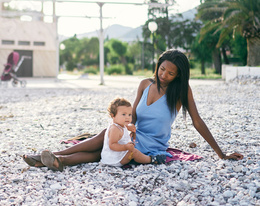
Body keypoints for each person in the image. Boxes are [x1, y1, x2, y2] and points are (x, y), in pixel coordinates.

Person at [23, 49, 244, 171]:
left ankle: (50, 157)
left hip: (152, 144)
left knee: (103, 147)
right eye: (162, 69)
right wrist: (119, 129)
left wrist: (221, 153)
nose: (163, 75)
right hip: (133, 133)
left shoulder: (182, 92)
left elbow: (197, 122)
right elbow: (133, 115)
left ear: (179, 75)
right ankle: (56, 160)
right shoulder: (144, 84)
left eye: (170, 73)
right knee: (106, 139)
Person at [99, 97, 165, 167]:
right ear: (113, 116)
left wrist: (129, 126)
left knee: (134, 150)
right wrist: (125, 147)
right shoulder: (114, 129)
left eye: (129, 114)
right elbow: (112, 145)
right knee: (134, 152)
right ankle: (151, 159)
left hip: (117, 156)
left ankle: (144, 158)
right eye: (124, 114)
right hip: (114, 160)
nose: (127, 117)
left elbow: (125, 126)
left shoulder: (120, 125)